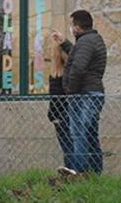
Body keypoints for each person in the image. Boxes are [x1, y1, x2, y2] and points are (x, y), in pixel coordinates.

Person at [52, 9, 106, 174]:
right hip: (91, 93)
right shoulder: (90, 40)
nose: (71, 28)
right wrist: (64, 42)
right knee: (89, 133)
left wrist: (70, 90)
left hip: (83, 95)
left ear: (77, 26)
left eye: (72, 24)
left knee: (79, 133)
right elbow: (79, 56)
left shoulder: (85, 42)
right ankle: (95, 172)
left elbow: (79, 68)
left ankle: (79, 171)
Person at [44, 33, 74, 171]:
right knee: (74, 147)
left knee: (69, 148)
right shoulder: (70, 72)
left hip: (62, 116)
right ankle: (76, 173)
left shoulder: (57, 74)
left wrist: (53, 116)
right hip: (68, 114)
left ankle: (72, 172)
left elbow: (55, 98)